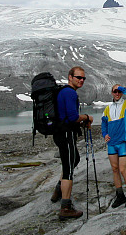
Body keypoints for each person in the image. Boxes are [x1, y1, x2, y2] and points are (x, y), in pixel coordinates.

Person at [50, 66, 93, 220]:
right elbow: (73, 116)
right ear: (70, 77)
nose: (81, 80)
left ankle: (58, 190)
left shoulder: (64, 92)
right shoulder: (69, 92)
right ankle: (65, 207)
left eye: (83, 78)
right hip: (65, 134)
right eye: (78, 77)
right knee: (68, 168)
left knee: (74, 159)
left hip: (62, 133)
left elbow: (68, 116)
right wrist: (87, 117)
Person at [101, 84, 126, 208]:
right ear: (111, 93)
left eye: (119, 91)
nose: (117, 93)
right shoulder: (107, 108)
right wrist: (105, 134)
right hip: (111, 143)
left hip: (122, 142)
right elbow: (104, 123)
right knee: (115, 169)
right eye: (115, 91)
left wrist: (122, 87)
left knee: (123, 169)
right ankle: (120, 195)